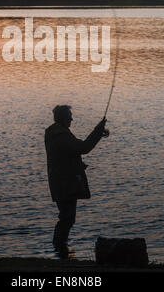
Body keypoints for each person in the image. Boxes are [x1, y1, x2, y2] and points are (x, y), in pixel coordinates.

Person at [44, 105, 109, 257]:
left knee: (67, 216)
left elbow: (77, 148)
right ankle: (60, 248)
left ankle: (60, 248)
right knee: (67, 217)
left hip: (62, 181)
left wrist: (98, 132)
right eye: (69, 116)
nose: (72, 119)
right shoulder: (60, 135)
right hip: (64, 183)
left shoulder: (56, 132)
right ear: (63, 118)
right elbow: (83, 147)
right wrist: (97, 131)